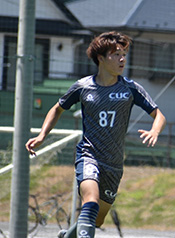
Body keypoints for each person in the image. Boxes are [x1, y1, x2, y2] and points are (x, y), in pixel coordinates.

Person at [25, 31, 166, 238]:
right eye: (116, 54)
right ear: (101, 58)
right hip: (88, 156)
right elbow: (57, 108)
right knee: (90, 200)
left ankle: (67, 236)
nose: (122, 59)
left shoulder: (130, 88)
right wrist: (42, 135)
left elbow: (159, 115)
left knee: (97, 219)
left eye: (124, 54)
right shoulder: (83, 87)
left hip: (114, 164)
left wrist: (155, 130)